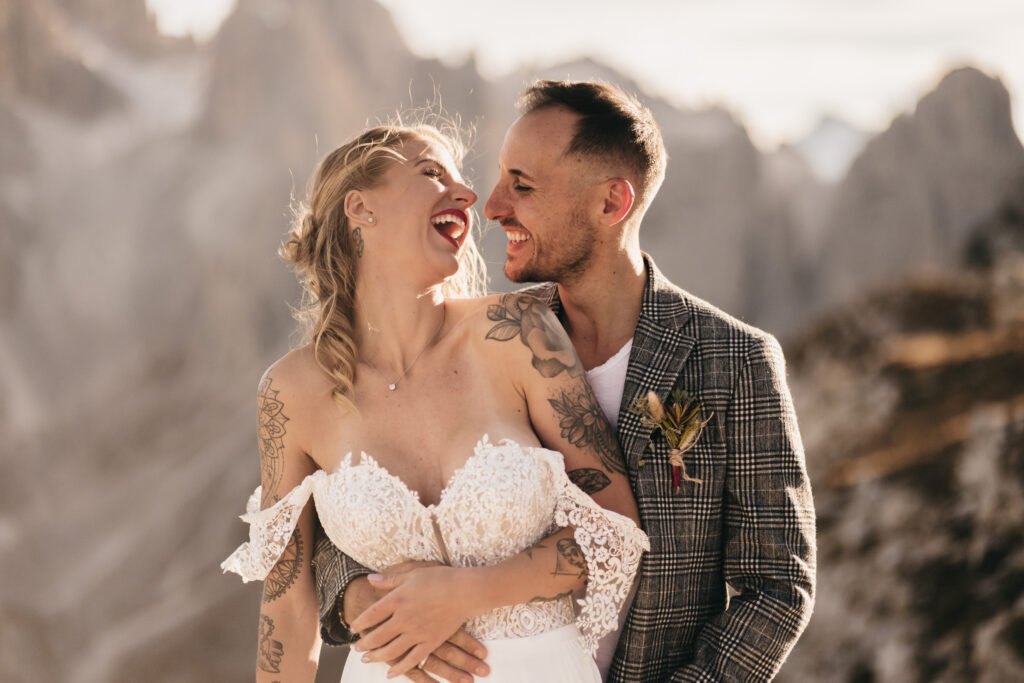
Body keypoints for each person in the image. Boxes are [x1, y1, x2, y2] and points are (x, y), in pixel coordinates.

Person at [313, 81, 817, 682]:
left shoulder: (734, 361)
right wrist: (357, 598)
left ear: (611, 204)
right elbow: (349, 509)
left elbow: (777, 587)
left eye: (522, 186)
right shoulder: (487, 339)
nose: (491, 206)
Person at [221, 121, 650, 682]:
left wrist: (462, 594)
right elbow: (289, 609)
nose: (469, 195)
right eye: (431, 173)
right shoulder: (290, 393)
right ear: (361, 208)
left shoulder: (518, 331)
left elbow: (616, 533)